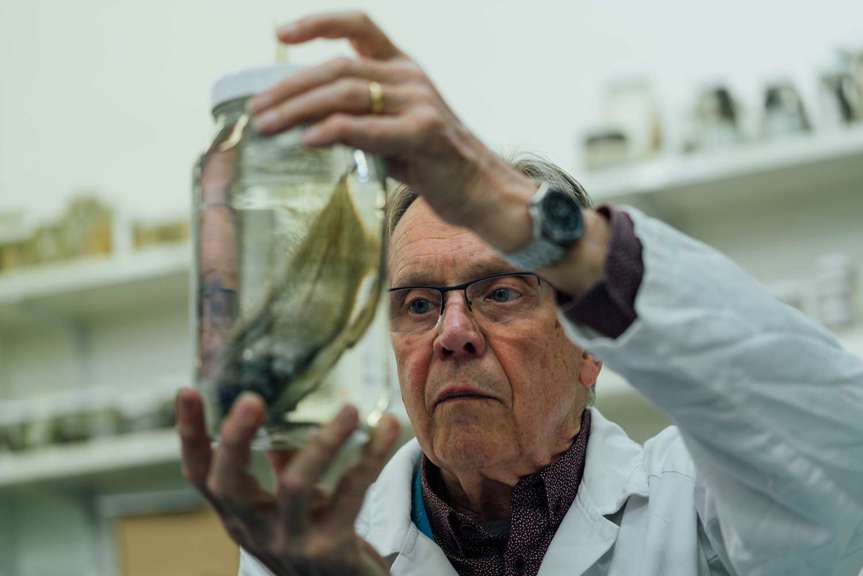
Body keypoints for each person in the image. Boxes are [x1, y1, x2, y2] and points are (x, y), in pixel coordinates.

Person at [175, 11, 863, 576]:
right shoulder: (311, 546)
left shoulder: (698, 508)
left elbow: (843, 453)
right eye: (417, 304)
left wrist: (516, 209)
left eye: (500, 292)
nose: (451, 333)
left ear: (589, 346)